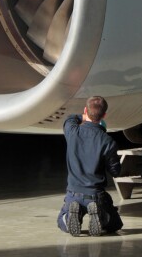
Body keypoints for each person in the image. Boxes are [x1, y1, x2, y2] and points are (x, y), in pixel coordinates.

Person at [57, 96, 123, 236]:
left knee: (60, 222)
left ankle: (70, 216)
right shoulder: (108, 141)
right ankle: (103, 217)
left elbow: (69, 118)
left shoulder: (73, 132)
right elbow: (115, 172)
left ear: (85, 110)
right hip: (96, 194)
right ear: (104, 115)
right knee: (116, 224)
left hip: (73, 193)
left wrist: (83, 116)